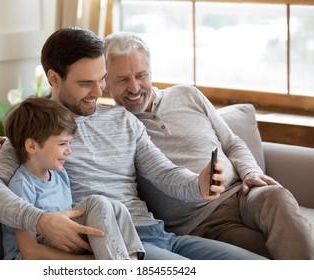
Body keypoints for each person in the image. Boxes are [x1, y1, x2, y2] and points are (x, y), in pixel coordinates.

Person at [0, 27, 266, 260]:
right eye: (86, 84)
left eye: (101, 80)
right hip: (117, 246)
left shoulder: (123, 120)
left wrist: (198, 185)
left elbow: (163, 173)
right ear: (54, 78)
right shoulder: (38, 133)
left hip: (162, 235)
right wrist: (40, 221)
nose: (99, 92)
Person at [103, 31, 314, 260]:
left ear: (151, 71)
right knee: (275, 253)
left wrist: (251, 172)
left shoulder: (187, 95)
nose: (134, 87)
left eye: (141, 75)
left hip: (243, 193)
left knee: (275, 196)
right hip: (205, 221)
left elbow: (232, 143)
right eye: (123, 79)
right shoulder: (115, 127)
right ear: (105, 83)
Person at [1, 96, 145, 260]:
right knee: (96, 203)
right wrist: (90, 261)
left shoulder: (59, 174)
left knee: (117, 207)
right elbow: (29, 252)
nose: (69, 151)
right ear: (32, 146)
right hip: (27, 260)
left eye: (69, 143)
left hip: (62, 246)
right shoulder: (22, 185)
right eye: (62, 144)